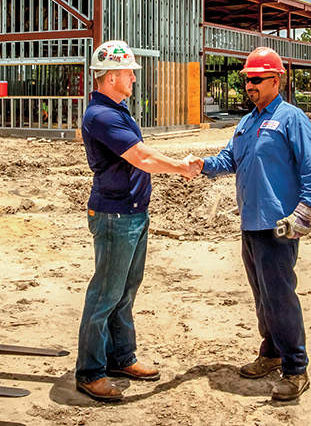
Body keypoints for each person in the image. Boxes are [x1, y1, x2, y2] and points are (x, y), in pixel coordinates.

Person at [190, 47, 311, 401]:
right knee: (263, 297)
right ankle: (271, 353)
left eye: (255, 79)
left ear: (275, 80)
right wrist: (202, 164)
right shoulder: (247, 122)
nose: (249, 85)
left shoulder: (292, 118)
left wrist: (304, 213)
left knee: (280, 296)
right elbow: (228, 160)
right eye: (246, 79)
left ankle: (296, 368)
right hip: (250, 223)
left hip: (278, 225)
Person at [75, 40, 200, 402]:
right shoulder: (102, 116)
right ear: (112, 76)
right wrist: (181, 168)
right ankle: (90, 371)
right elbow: (141, 158)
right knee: (105, 294)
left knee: (125, 292)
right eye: (129, 72)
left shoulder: (119, 109)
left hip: (131, 212)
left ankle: (121, 357)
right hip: (115, 215)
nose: (133, 77)